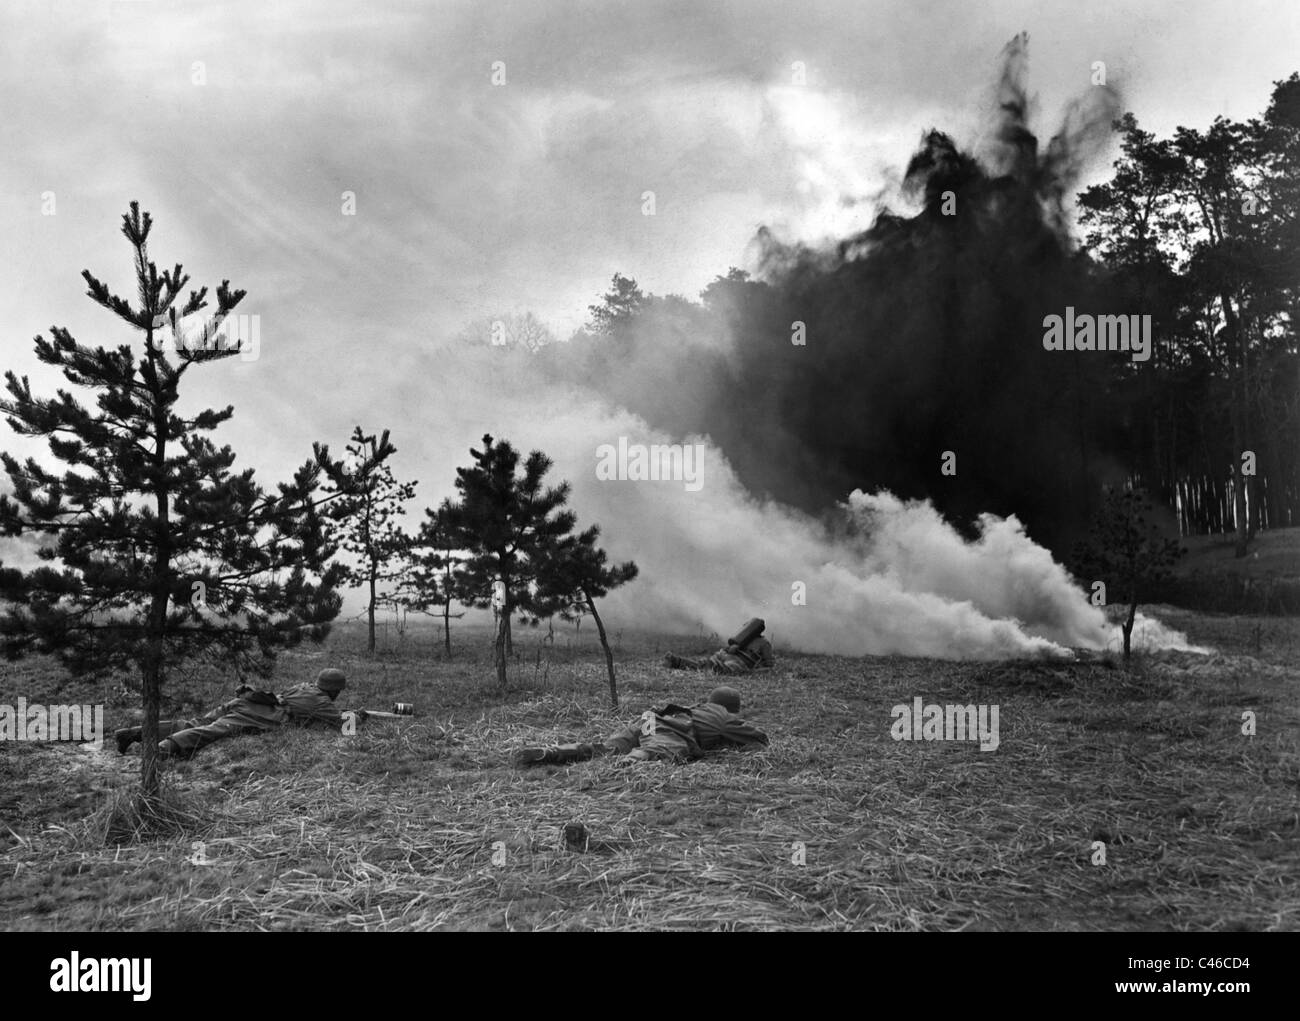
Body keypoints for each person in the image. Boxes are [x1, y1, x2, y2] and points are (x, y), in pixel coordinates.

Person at [114, 668, 349, 759]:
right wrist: (359, 716)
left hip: (246, 700)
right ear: (335, 690)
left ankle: (134, 734)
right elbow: (343, 724)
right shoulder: (321, 702)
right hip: (258, 712)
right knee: (211, 731)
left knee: (194, 722)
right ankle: (161, 751)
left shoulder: (304, 686)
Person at [513, 686, 768, 766]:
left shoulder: (699, 708)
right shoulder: (725, 718)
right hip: (666, 731)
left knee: (606, 748)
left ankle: (554, 752)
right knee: (659, 752)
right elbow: (758, 738)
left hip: (649, 719)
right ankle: (631, 763)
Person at [663, 617, 774, 675]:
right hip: (739, 662)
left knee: (702, 664)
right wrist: (754, 671)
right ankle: (677, 662)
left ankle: (677, 661)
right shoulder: (764, 643)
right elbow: (769, 666)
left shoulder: (741, 637)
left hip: (724, 654)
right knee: (714, 669)